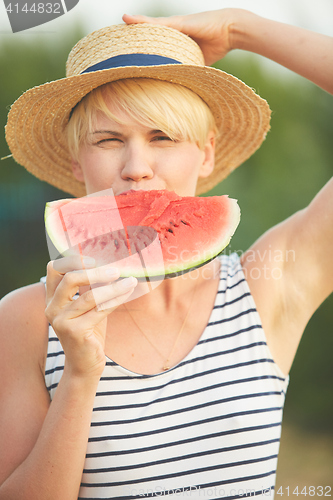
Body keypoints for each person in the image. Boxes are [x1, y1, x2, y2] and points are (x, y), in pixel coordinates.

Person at [0, 8, 332, 500]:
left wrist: (241, 29)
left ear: (208, 152)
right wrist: (79, 374)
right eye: (108, 140)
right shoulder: (27, 321)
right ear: (76, 160)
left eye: (163, 137)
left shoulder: (267, 290)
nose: (137, 168)